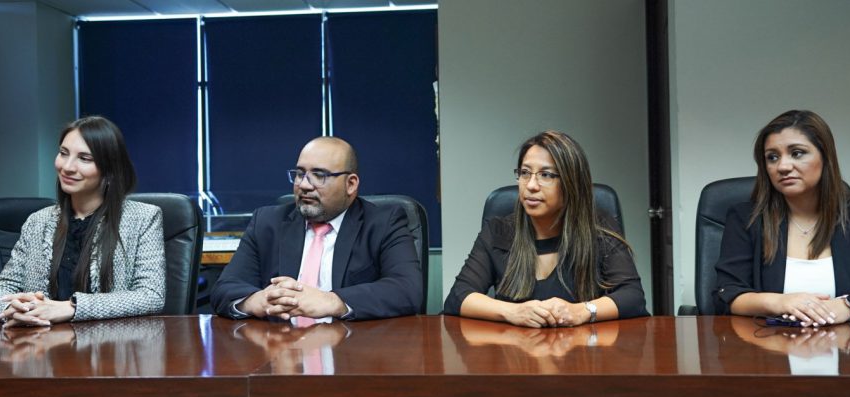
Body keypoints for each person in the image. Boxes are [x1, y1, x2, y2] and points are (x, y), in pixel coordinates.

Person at [714, 109, 850, 325]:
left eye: (797, 153)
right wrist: (780, 302)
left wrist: (848, 306)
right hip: (769, 342)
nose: (783, 166)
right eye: (772, 157)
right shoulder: (746, 218)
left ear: (825, 157)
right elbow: (727, 294)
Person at [443, 130, 647, 327]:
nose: (531, 185)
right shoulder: (499, 231)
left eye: (546, 175)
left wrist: (582, 311)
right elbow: (459, 296)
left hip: (583, 347)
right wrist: (513, 312)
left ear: (571, 183)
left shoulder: (599, 230)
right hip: (515, 348)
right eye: (525, 173)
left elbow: (632, 296)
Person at [0, 116, 166, 327]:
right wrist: (13, 309)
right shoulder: (38, 221)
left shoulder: (143, 218)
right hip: (43, 343)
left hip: (111, 343)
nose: (67, 167)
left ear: (109, 169)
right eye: (63, 153)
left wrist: (71, 308)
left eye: (84, 158)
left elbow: (151, 295)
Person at [212, 136, 422, 321]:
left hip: (352, 347)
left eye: (319, 175)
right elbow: (225, 288)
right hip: (282, 346)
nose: (304, 185)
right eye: (299, 174)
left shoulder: (383, 223)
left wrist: (332, 301)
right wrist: (257, 300)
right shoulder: (267, 222)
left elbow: (407, 290)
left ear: (350, 184)